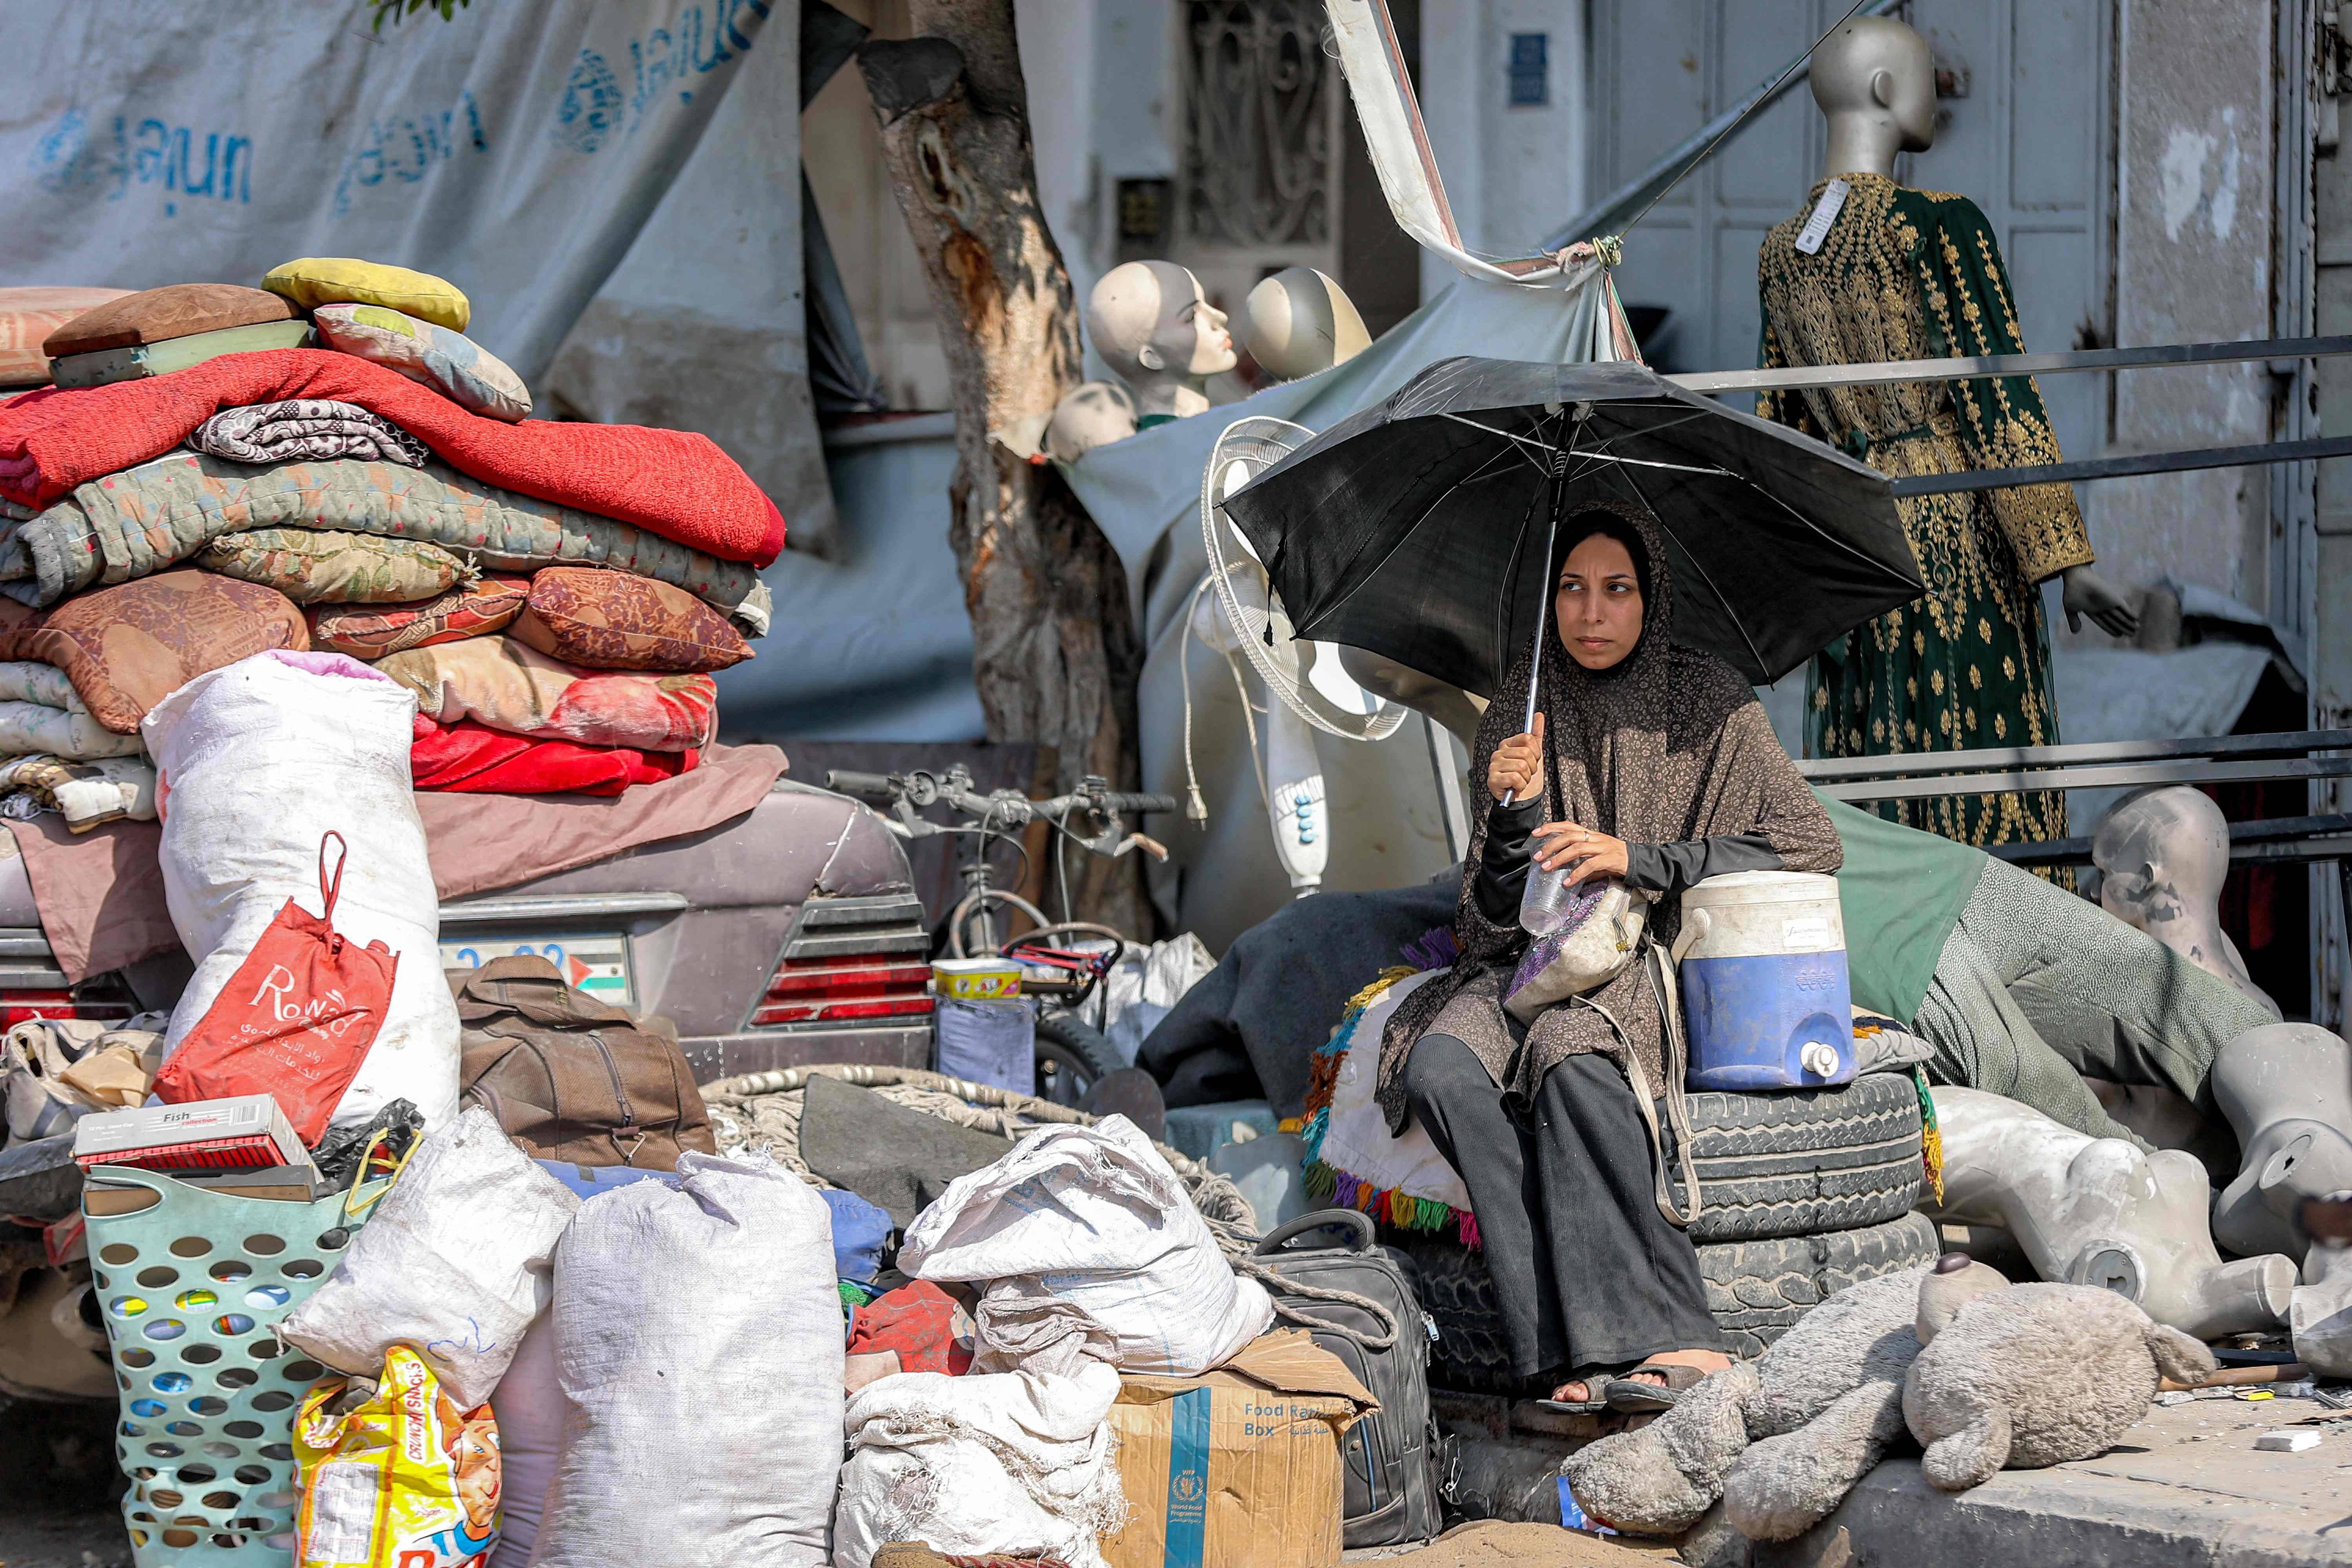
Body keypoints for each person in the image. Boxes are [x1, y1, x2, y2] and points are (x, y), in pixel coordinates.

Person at [1380, 501, 1843, 1412]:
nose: (1592, 614)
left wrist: (1639, 857)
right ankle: (1552, 1345)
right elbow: (1484, 925)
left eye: (1617, 590)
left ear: (1650, 599)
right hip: (1517, 961)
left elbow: (1809, 840)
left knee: (1569, 1055)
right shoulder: (1520, 707)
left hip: (1639, 956)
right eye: (1573, 589)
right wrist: (1512, 814)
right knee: (1437, 1066)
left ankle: (1663, 1337)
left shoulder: (1708, 703)